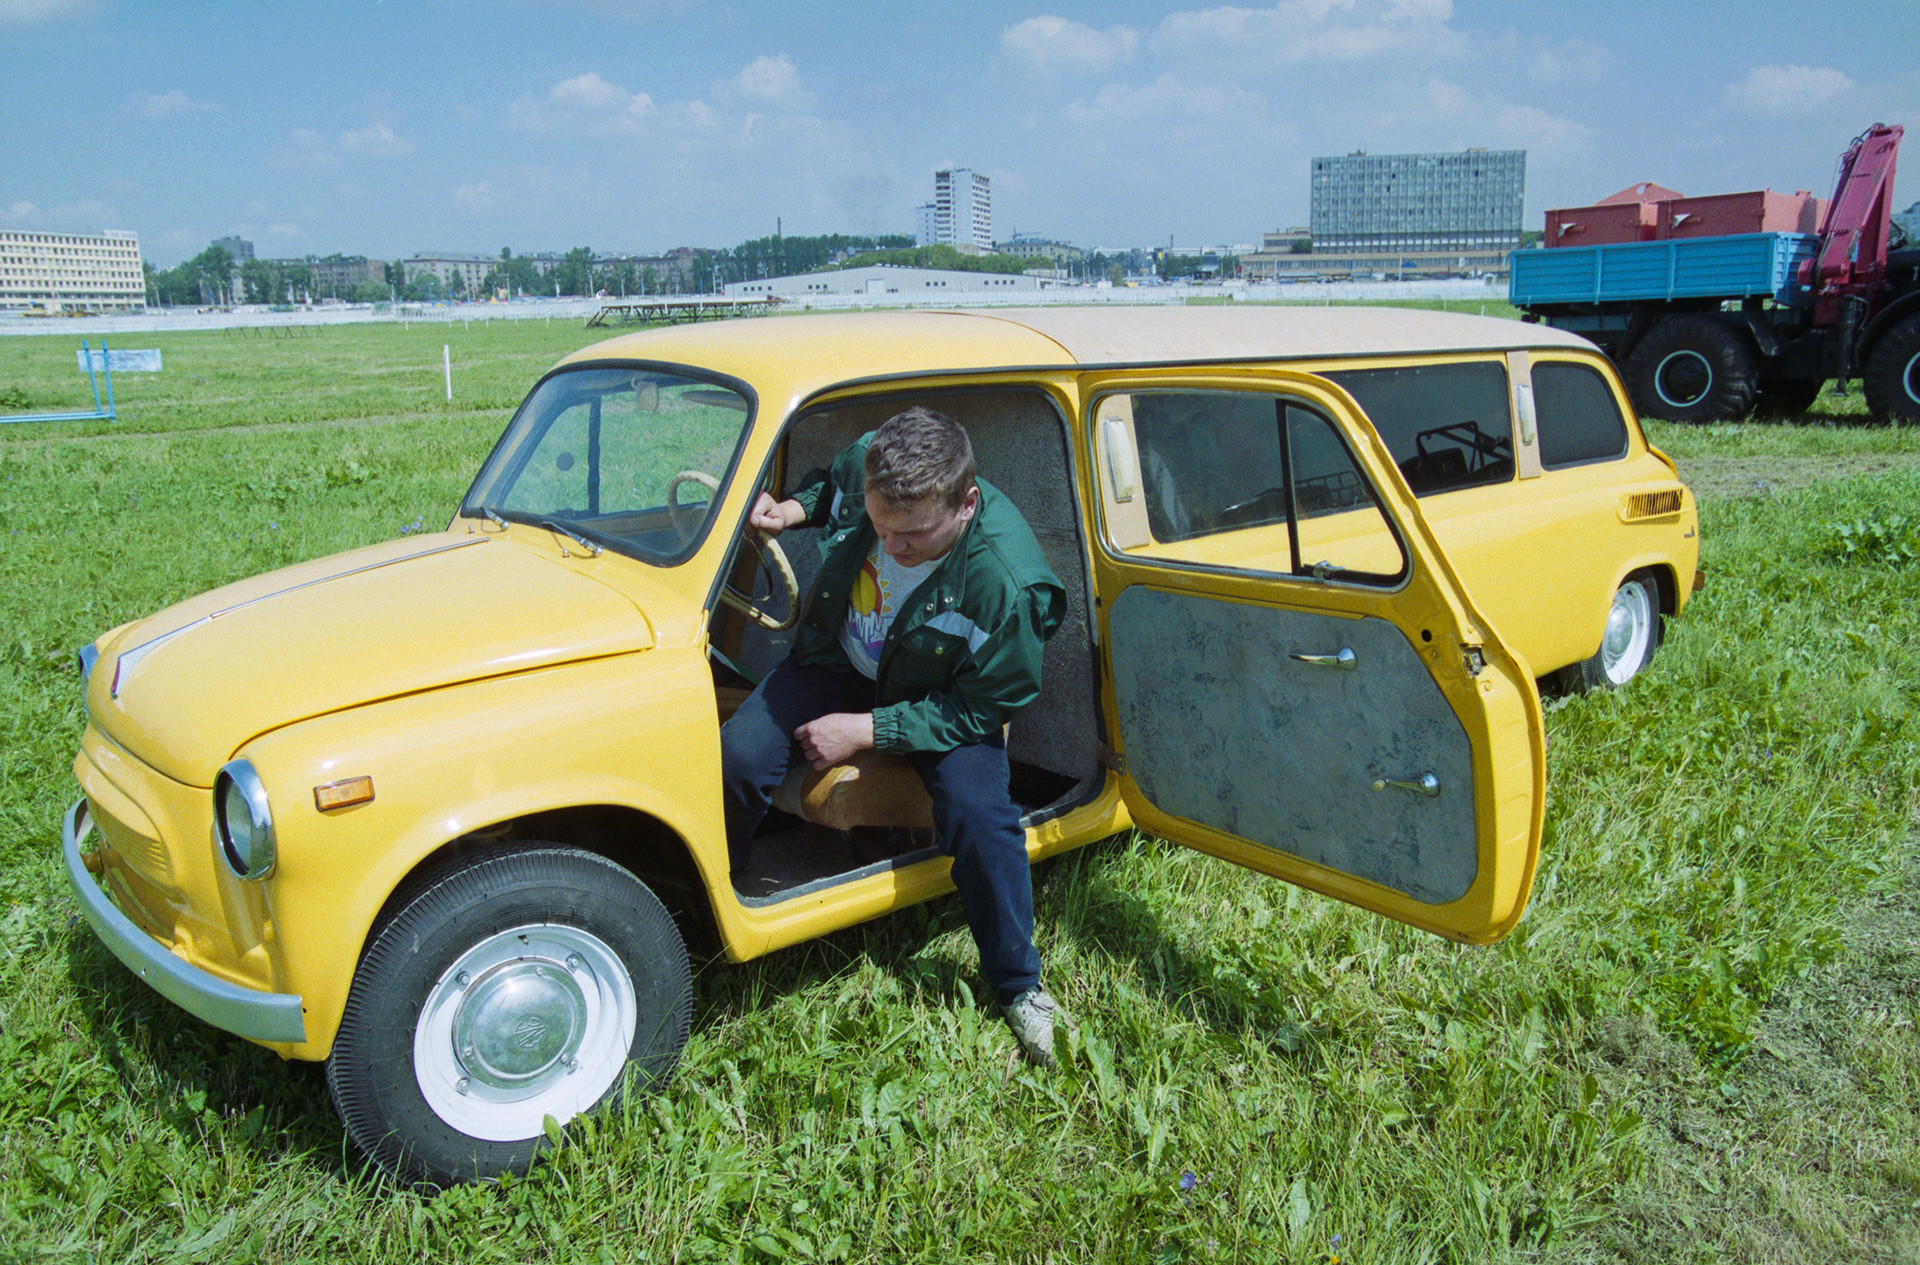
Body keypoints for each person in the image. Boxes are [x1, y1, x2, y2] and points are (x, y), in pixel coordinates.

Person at [720, 406, 1070, 1064]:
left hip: (943, 698)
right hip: (838, 662)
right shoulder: (870, 464)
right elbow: (835, 485)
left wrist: (868, 729)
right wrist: (793, 511)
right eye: (879, 527)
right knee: (739, 757)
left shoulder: (1007, 584)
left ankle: (1020, 985)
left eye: (910, 536)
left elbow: (986, 704)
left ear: (966, 503)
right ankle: (723, 895)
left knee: (979, 816)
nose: (891, 546)